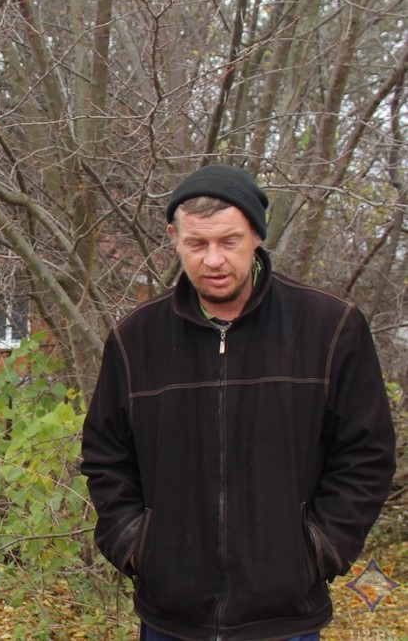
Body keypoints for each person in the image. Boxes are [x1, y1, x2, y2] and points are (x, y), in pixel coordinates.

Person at [81, 164, 395, 640]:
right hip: (171, 617)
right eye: (197, 244)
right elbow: (106, 457)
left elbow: (367, 455)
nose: (213, 260)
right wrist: (136, 546)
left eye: (229, 241)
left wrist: (319, 549)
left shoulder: (329, 328)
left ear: (257, 236)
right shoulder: (135, 339)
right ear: (174, 238)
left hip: (284, 618)